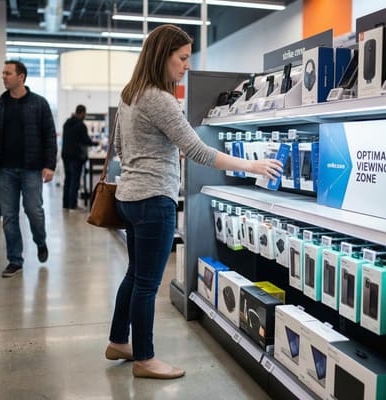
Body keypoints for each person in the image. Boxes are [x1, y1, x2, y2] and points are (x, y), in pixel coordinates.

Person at [105, 25, 282, 380]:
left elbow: (120, 148)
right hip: (155, 200)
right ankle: (145, 358)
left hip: (128, 197)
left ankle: (118, 342)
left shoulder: (130, 94)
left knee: (134, 276)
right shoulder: (159, 97)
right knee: (147, 285)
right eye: (182, 58)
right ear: (163, 56)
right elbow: (197, 150)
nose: (187, 65)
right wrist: (251, 165)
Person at [0, 60, 57, 278]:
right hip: (4, 170)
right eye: (2, 73)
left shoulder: (39, 104)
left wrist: (49, 165)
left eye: (8, 73)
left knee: (34, 211)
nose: (3, 77)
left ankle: (40, 241)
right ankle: (15, 260)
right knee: (9, 216)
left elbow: (49, 136)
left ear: (21, 76)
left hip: (31, 169)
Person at [61, 104, 98, 211]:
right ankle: (73, 205)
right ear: (82, 113)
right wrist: (96, 143)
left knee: (68, 180)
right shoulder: (81, 125)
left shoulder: (67, 123)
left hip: (66, 156)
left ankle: (66, 204)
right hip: (76, 157)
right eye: (85, 114)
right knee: (75, 181)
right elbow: (86, 140)